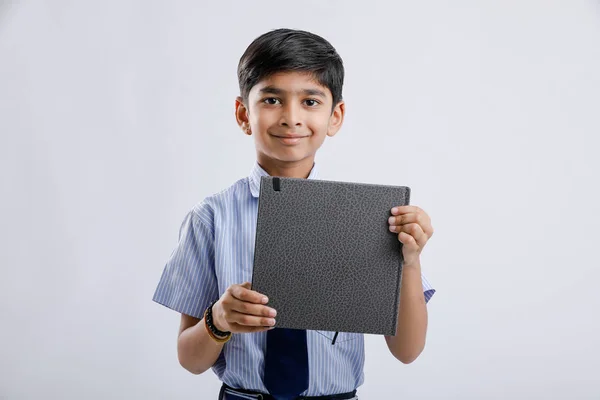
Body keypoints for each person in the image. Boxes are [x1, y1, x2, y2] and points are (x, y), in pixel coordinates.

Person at [152, 28, 436, 400]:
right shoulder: (212, 218)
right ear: (243, 114)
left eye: (310, 101)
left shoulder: (369, 220)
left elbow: (408, 351)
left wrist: (410, 261)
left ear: (336, 116)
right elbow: (190, 359)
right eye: (271, 99)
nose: (291, 117)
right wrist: (218, 319)